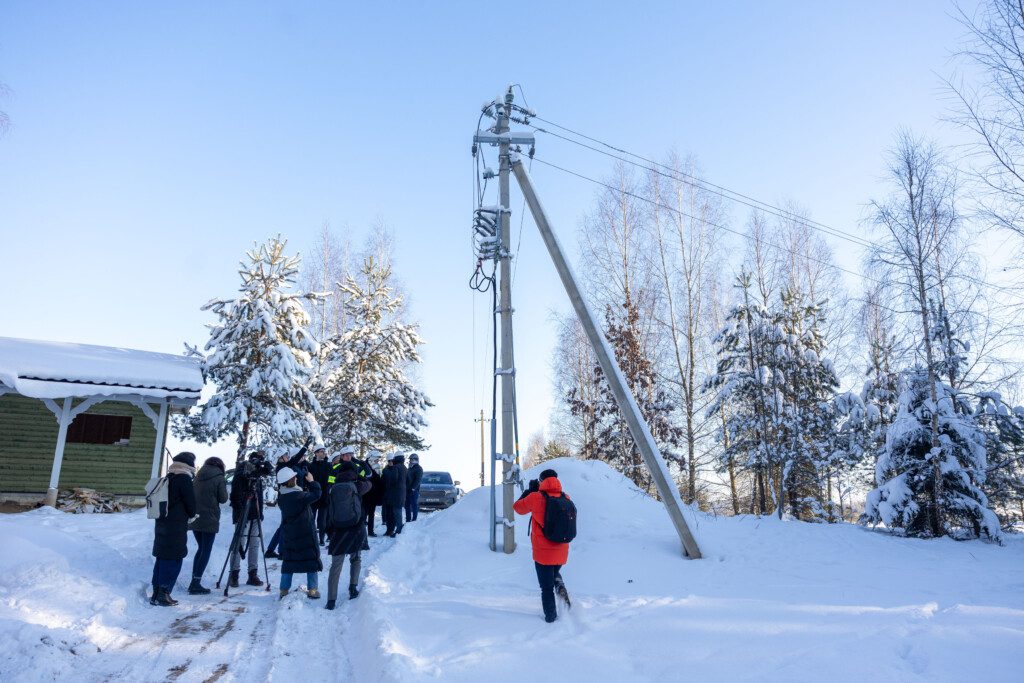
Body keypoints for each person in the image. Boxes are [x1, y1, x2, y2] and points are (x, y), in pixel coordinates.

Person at [513, 469, 572, 623]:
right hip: (562, 551)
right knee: (554, 573)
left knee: (546, 588)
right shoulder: (566, 497)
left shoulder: (535, 497)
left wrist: (529, 491)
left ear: (541, 481)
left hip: (543, 554)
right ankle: (559, 584)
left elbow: (518, 508)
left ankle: (551, 619)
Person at [151, 452, 198, 607]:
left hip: (162, 523)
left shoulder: (168, 478)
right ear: (189, 465)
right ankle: (164, 593)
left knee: (162, 558)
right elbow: (190, 502)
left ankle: (156, 593)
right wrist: (192, 514)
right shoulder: (184, 478)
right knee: (173, 558)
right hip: (176, 525)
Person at [324, 462, 371, 609]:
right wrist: (360, 476)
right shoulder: (357, 486)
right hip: (355, 527)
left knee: (336, 565)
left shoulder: (333, 488)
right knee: (355, 559)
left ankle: (331, 600)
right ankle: (353, 588)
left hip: (338, 529)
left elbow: (329, 509)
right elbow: (369, 482)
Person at [276, 466, 323, 599]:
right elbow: (317, 494)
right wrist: (312, 481)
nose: (296, 478)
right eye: (294, 477)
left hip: (290, 534)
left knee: (288, 562)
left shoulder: (282, 498)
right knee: (311, 559)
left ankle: (284, 590)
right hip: (306, 533)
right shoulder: (300, 496)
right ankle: (312, 590)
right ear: (291, 480)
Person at [187, 456, 227, 595]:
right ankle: (195, 583)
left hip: (195, 517)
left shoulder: (197, 476)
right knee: (206, 550)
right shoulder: (219, 477)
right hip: (210, 518)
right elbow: (223, 499)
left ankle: (194, 580)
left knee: (201, 549)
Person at [266, 441, 311, 558]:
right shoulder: (283, 467)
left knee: (283, 525)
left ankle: (271, 550)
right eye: (285, 456)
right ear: (280, 458)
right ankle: (281, 551)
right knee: (285, 525)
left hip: (288, 497)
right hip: (288, 498)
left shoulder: (284, 466)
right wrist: (305, 447)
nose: (287, 457)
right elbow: (295, 460)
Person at [228, 451, 266, 587]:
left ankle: (253, 574)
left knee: (255, 543)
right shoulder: (241, 472)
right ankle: (234, 574)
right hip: (242, 513)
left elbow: (259, 495)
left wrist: (260, 511)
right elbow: (234, 495)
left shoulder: (258, 476)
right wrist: (239, 512)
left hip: (255, 512)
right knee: (239, 543)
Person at [307, 443, 332, 546]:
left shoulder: (328, 465)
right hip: (313, 497)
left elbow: (332, 479)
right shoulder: (311, 466)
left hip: (324, 497)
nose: (323, 453)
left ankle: (321, 539)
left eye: (324, 451)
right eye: (321, 451)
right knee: (311, 518)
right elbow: (308, 480)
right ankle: (312, 538)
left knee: (322, 521)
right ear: (316, 453)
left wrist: (329, 488)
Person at [381, 453, 408, 537]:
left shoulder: (396, 467)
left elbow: (393, 480)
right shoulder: (404, 467)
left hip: (394, 494)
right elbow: (408, 480)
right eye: (389, 461)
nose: (391, 462)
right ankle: (392, 530)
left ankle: (398, 530)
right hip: (396, 494)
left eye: (392, 460)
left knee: (396, 512)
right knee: (392, 513)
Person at [364, 453, 384, 536]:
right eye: (376, 460)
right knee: (364, 515)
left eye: (377, 460)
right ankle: (361, 533)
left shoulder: (376, 468)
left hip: (373, 496)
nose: (377, 462)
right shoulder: (365, 468)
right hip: (366, 496)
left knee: (371, 514)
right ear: (371, 459)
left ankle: (370, 531)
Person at [405, 454, 423, 523]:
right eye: (410, 459)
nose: (410, 461)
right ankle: (408, 519)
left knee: (414, 504)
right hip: (407, 489)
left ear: (415, 460)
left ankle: (414, 519)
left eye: (411, 459)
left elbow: (418, 480)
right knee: (407, 505)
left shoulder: (419, 468)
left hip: (414, 490)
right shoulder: (410, 468)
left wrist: (413, 488)